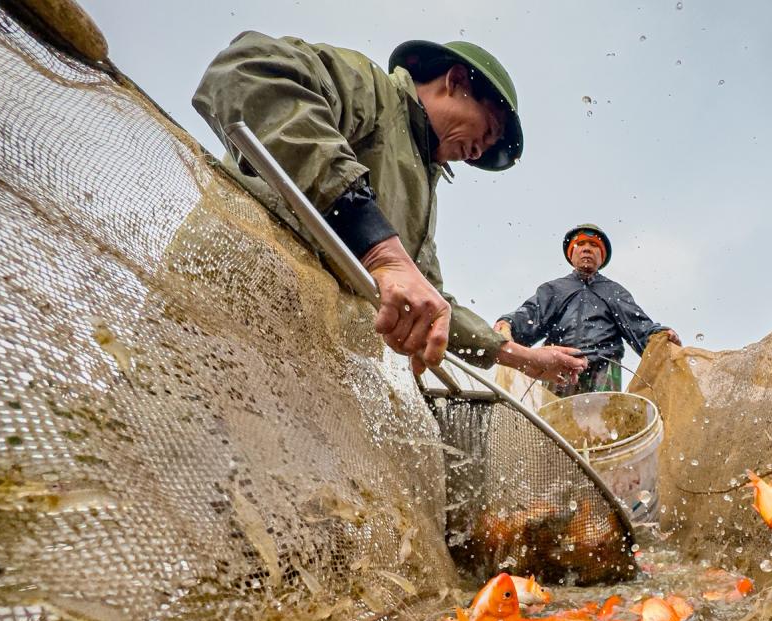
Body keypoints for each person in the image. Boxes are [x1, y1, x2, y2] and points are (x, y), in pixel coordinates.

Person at [193, 32, 587, 384]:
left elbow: (432, 303)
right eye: (487, 132)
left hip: (306, 361)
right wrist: (380, 249)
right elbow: (246, 71)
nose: (479, 152)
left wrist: (523, 358)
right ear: (456, 82)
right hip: (226, 298)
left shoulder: (424, 191)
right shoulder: (374, 90)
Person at [494, 224, 680, 396]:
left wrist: (659, 335)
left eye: (593, 245)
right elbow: (530, 316)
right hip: (560, 363)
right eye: (580, 244)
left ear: (601, 257)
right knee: (554, 422)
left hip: (604, 366)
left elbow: (638, 325)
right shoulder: (554, 289)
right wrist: (508, 323)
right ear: (571, 254)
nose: (587, 248)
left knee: (602, 423)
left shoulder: (614, 291)